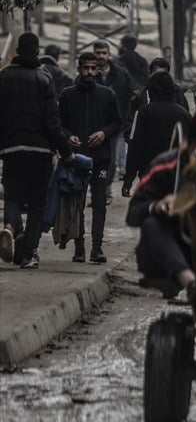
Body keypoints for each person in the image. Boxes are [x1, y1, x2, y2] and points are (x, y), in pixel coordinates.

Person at [125, 104, 196, 299]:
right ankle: (190, 283)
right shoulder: (165, 166)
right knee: (152, 223)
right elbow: (133, 213)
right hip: (171, 255)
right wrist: (157, 206)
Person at [0, 33, 76, 269]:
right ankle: (28, 254)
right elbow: (52, 122)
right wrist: (65, 151)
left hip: (11, 148)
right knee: (36, 203)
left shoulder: (3, 77)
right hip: (40, 150)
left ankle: (10, 226)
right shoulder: (44, 78)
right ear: (36, 52)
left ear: (17, 52)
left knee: (12, 194)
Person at [58, 51, 123, 264]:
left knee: (99, 204)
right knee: (76, 204)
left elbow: (117, 123)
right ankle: (79, 248)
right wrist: (69, 137)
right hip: (76, 159)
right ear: (79, 69)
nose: (89, 72)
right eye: (86, 68)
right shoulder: (67, 95)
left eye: (93, 68)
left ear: (99, 69)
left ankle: (96, 248)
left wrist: (104, 133)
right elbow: (59, 123)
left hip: (100, 159)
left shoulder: (107, 94)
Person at [121, 72, 191, 197]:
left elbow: (135, 147)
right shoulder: (184, 114)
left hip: (149, 172)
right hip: (175, 173)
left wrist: (128, 180)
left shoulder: (144, 112)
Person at [94, 40, 134, 183]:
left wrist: (126, 118)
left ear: (109, 54)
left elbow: (130, 96)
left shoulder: (121, 74)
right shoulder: (88, 74)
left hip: (114, 123)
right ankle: (98, 189)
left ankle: (106, 188)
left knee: (111, 159)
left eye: (104, 53)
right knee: (93, 159)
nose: (101, 56)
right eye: (98, 53)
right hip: (93, 123)